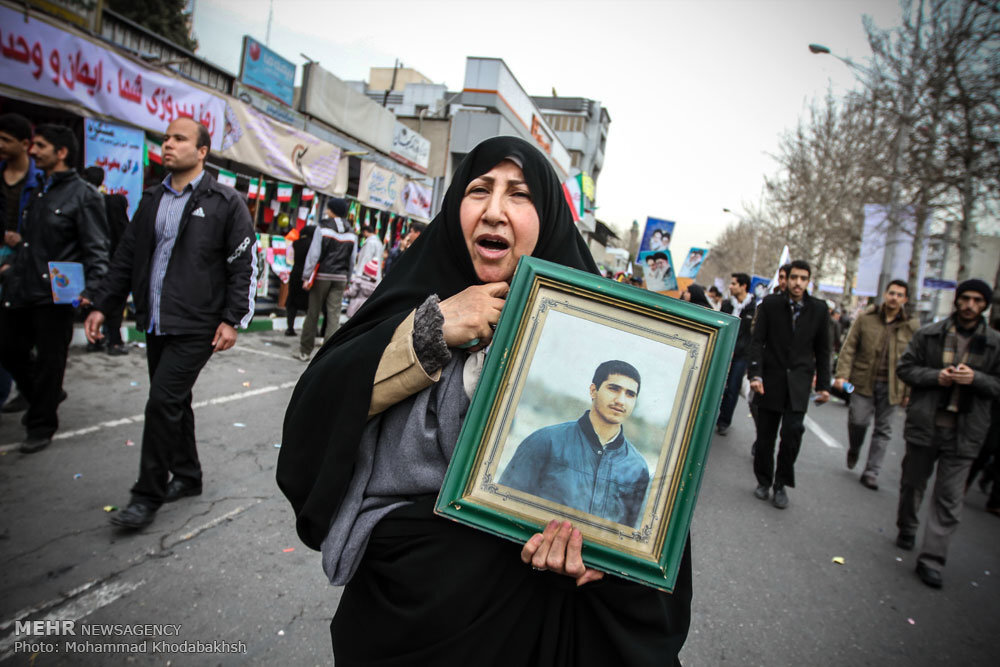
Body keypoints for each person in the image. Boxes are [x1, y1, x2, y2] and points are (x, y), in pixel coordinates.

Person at [277, 136, 691, 664]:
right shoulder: (415, 299)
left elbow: (656, 527)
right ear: (455, 210)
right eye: (479, 190)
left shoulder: (602, 330)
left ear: (549, 218)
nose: (494, 211)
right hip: (416, 613)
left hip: (549, 625)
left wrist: (607, 554)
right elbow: (319, 413)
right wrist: (433, 328)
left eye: (518, 195)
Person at [85, 117, 257, 530]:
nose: (167, 144)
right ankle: (188, 474)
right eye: (165, 138)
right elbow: (127, 257)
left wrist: (232, 319)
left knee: (162, 401)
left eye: (179, 139)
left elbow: (242, 264)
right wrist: (102, 306)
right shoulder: (151, 199)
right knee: (173, 401)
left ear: (201, 152)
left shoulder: (224, 201)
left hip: (197, 324)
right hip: (157, 320)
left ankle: (147, 494)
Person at [0, 124, 109, 454]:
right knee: (7, 347)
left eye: (42, 146)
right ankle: (43, 396)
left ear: (61, 153)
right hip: (22, 285)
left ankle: (41, 424)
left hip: (58, 294)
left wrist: (93, 293)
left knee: (51, 362)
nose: (34, 151)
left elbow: (97, 247)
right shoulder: (38, 190)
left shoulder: (84, 195)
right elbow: (30, 240)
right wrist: (11, 266)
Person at [894, 279, 1000, 589]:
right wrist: (936, 376)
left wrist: (976, 379)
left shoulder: (994, 343)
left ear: (985, 305)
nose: (969, 305)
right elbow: (906, 369)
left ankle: (932, 558)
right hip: (926, 424)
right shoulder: (930, 334)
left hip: (966, 432)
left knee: (949, 497)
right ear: (956, 300)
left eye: (977, 301)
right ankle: (907, 527)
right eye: (965, 298)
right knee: (913, 483)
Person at [499, 360, 650, 528]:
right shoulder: (544, 441)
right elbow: (501, 507)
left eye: (630, 394)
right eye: (614, 389)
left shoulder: (638, 468)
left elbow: (628, 535)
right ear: (593, 390)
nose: (621, 400)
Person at [748, 259, 831, 509]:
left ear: (808, 281)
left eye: (803, 278)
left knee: (793, 434)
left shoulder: (819, 309)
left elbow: (823, 350)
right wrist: (755, 375)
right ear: (787, 278)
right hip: (769, 381)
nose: (797, 283)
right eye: (794, 277)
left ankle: (781, 483)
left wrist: (824, 385)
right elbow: (757, 342)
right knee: (765, 436)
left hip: (799, 384)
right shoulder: (771, 304)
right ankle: (763, 481)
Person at [834, 280, 919, 490]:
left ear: (905, 299)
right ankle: (854, 448)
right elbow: (849, 348)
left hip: (893, 386)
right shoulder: (866, 319)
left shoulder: (911, 327)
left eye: (900, 295)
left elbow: (914, 360)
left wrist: (909, 391)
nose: (894, 298)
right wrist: (842, 375)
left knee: (883, 430)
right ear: (885, 294)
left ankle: (872, 471)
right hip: (862, 382)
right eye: (892, 293)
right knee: (858, 420)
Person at [0, 113, 44, 417]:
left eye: (6, 140)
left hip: (24, 268)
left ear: (24, 144)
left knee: (12, 340)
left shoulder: (41, 182)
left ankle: (35, 392)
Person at [296, 198, 356, 361]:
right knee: (334, 315)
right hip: (341, 277)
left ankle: (305, 350)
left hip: (322, 275)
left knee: (313, 313)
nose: (326, 211)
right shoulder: (352, 232)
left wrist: (307, 275)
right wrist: (348, 279)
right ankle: (327, 355)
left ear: (332, 210)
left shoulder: (322, 228)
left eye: (328, 209)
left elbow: (314, 254)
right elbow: (352, 260)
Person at [82, 165, 130, 355]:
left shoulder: (88, 202)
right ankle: (113, 341)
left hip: (95, 262)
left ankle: (95, 340)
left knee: (92, 299)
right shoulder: (114, 203)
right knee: (114, 303)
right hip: (112, 262)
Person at [716, 273, 756, 435]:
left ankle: (724, 421)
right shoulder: (726, 305)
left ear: (743, 286)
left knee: (732, 388)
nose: (730, 287)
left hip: (741, 356)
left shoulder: (754, 308)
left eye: (733, 284)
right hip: (723, 354)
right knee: (717, 387)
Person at [283, 224, 315, 336]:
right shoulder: (313, 245)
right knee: (310, 304)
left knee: (292, 302)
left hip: (295, 272)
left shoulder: (296, 243)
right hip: (308, 276)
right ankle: (310, 330)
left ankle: (289, 328)